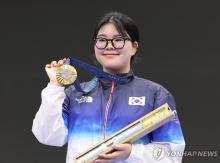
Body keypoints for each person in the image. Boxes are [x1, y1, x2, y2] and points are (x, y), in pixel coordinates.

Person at [32, 12, 185, 163]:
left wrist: (132, 153)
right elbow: (48, 137)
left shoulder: (155, 94)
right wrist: (55, 86)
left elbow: (172, 155)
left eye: (118, 40)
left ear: (134, 47)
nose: (109, 46)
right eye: (102, 40)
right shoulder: (75, 93)